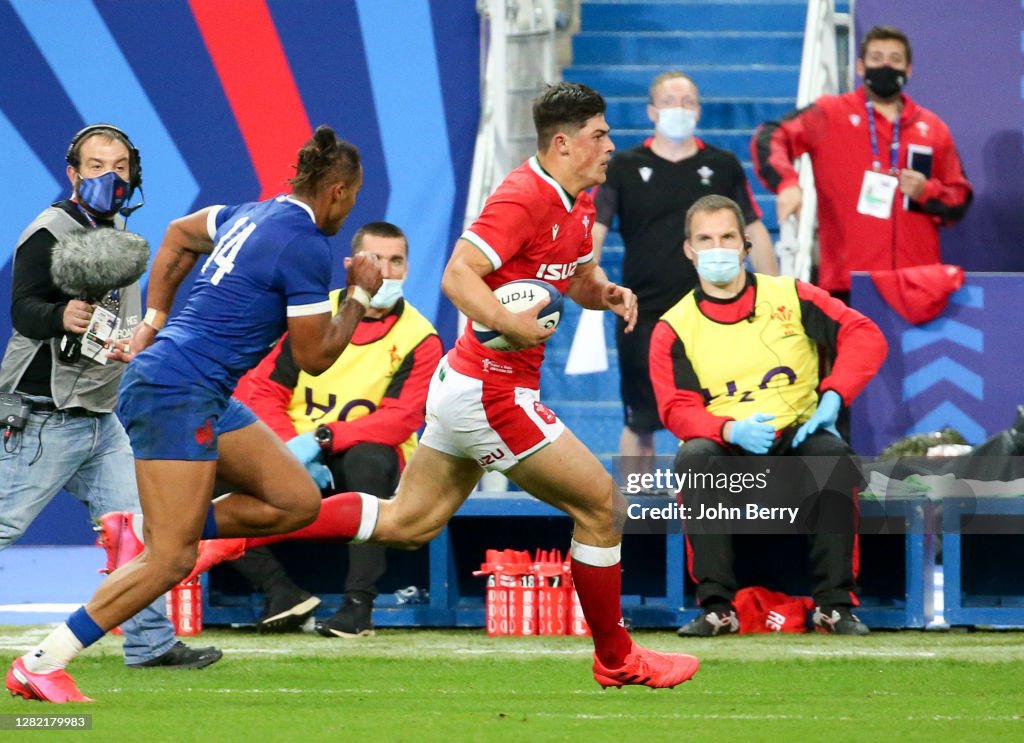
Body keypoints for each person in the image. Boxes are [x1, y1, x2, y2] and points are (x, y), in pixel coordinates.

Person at [188, 82, 700, 689]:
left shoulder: (579, 202)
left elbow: (571, 274)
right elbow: (460, 274)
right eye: (599, 135)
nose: (610, 145)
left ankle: (208, 529)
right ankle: (616, 658)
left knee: (409, 521)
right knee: (604, 507)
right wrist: (510, 322)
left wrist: (603, 292)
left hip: (471, 389)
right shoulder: (522, 196)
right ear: (563, 143)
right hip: (492, 392)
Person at [5, 125, 382, 703]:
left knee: (297, 500)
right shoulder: (306, 244)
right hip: (176, 389)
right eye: (353, 197)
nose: (351, 207)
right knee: (172, 557)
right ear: (335, 191)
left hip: (193, 388)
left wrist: (153, 319)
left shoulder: (250, 213)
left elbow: (181, 234)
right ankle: (43, 662)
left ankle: (149, 528)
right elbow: (314, 358)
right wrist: (357, 297)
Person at [0, 124, 221, 676]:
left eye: (119, 166)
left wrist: (125, 343)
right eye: (96, 166)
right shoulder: (47, 232)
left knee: (145, 531)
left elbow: (110, 322)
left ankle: (150, 644)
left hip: (101, 414)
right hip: (41, 414)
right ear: (72, 173)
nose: (109, 177)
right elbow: (23, 310)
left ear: (134, 173)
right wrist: (59, 316)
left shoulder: (119, 230)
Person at [648, 195, 888, 636]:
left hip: (797, 435)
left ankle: (834, 608)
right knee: (694, 460)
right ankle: (717, 608)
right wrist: (728, 428)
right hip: (728, 447)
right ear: (688, 249)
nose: (717, 248)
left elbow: (864, 334)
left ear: (745, 244)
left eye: (727, 237)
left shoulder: (792, 296)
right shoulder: (673, 327)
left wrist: (833, 397)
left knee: (833, 456)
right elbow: (676, 408)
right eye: (705, 239)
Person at [227, 221, 442, 637]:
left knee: (369, 461)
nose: (385, 269)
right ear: (350, 265)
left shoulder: (420, 337)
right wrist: (289, 450)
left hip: (365, 458)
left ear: (407, 269)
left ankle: (358, 606)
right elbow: (263, 391)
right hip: (294, 449)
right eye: (374, 259)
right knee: (210, 464)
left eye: (395, 260)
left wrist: (324, 439)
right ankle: (281, 592)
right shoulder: (312, 316)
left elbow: (402, 418)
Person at [593, 71, 778, 482]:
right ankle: (634, 519)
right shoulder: (623, 166)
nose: (680, 108)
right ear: (652, 111)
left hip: (715, 314)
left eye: (688, 101)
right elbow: (595, 232)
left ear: (698, 110)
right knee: (641, 422)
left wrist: (777, 289)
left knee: (720, 417)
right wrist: (592, 283)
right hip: (642, 317)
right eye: (670, 100)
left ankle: (726, 502)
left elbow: (754, 226)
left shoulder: (722, 164)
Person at [752, 25, 972, 300]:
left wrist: (926, 192)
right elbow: (771, 136)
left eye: (895, 59)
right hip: (848, 283)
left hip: (918, 285)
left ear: (909, 69)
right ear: (860, 66)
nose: (886, 66)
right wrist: (787, 183)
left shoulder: (932, 127)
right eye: (877, 58)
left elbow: (959, 199)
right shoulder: (830, 114)